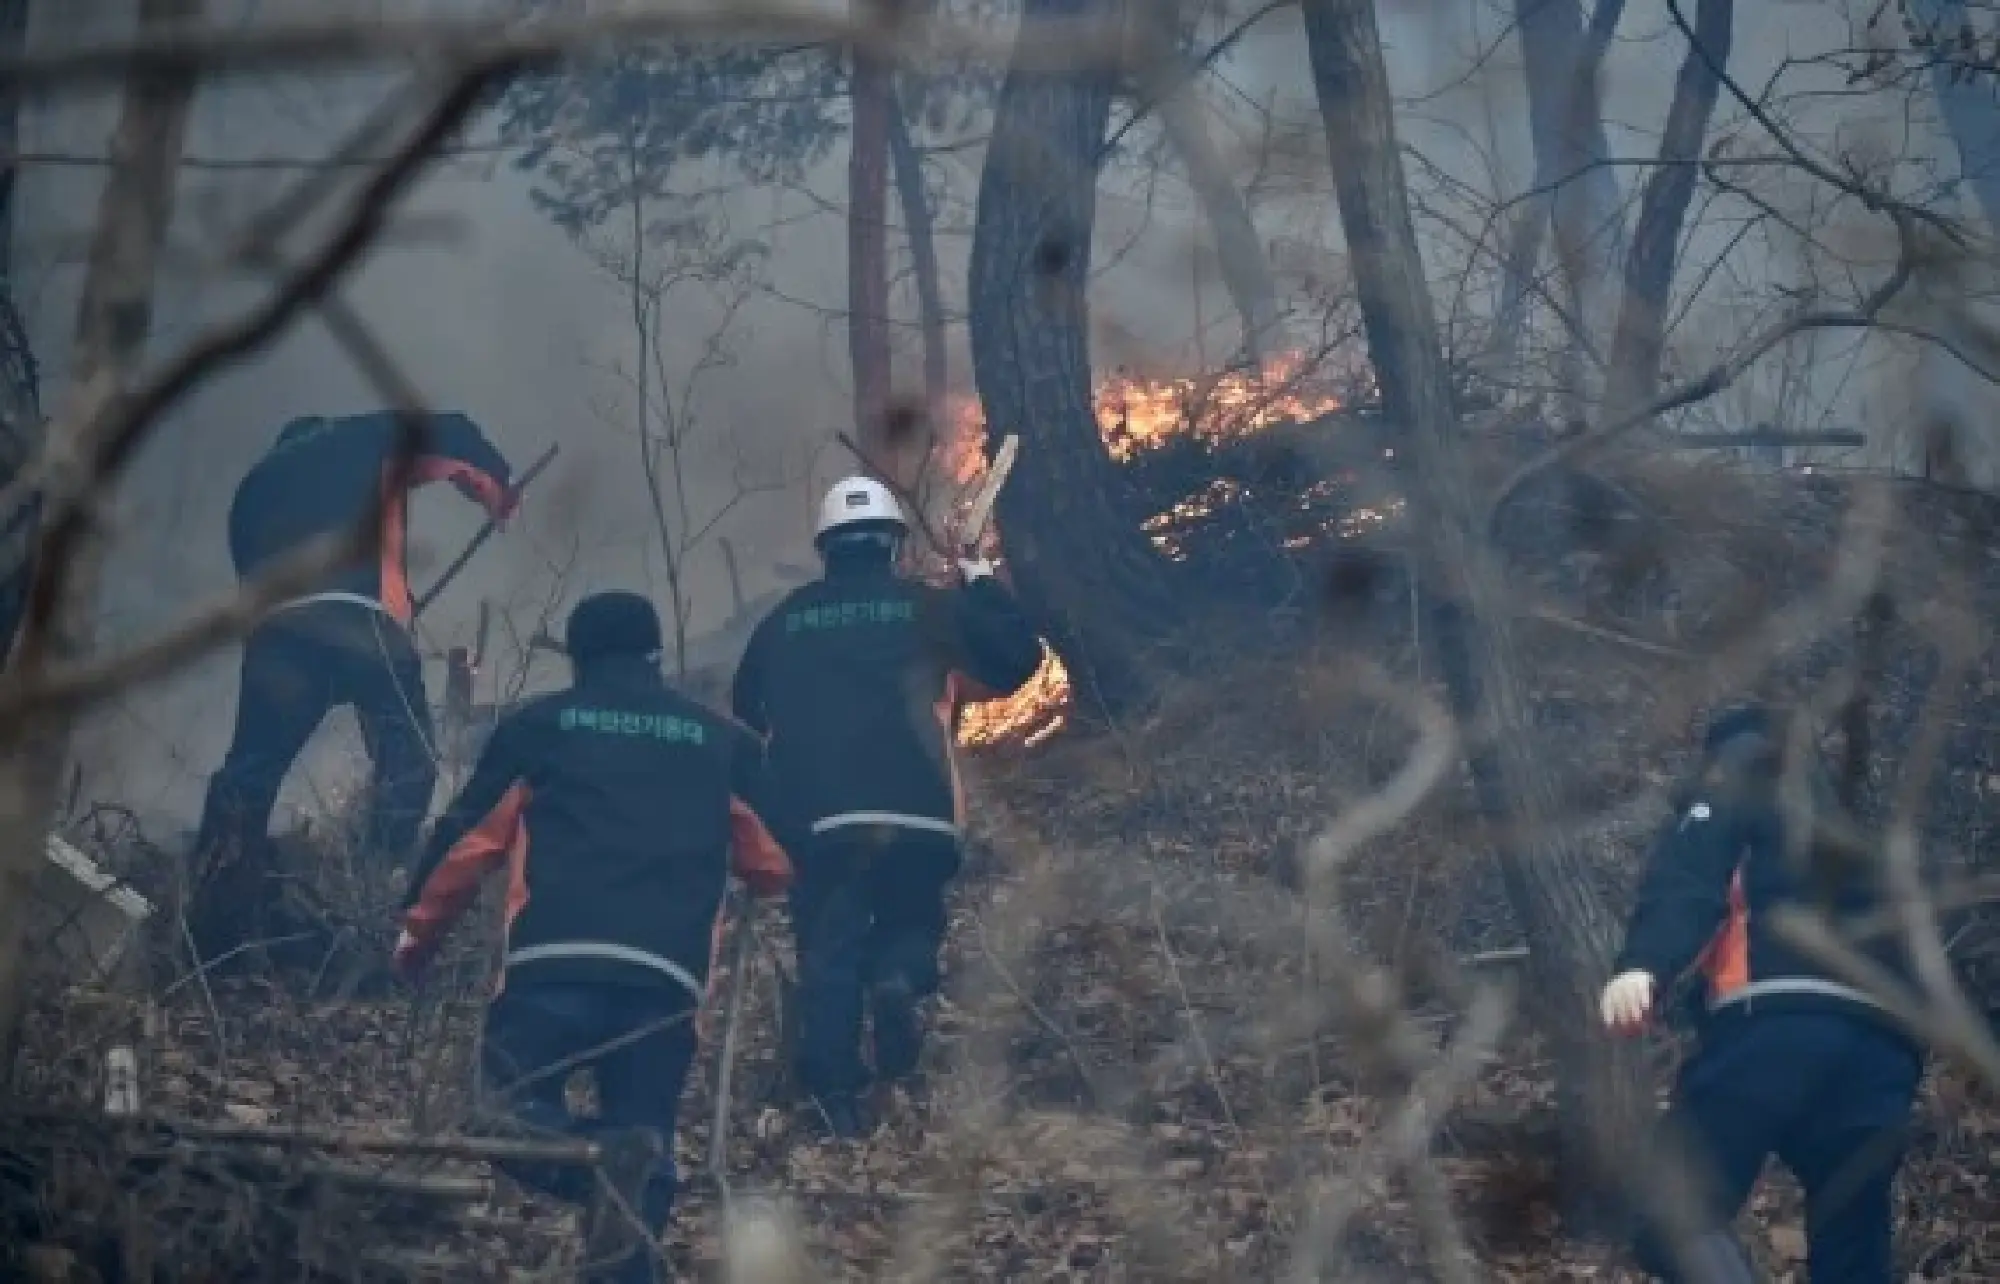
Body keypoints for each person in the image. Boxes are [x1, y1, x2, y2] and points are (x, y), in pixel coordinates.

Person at [393, 590, 790, 1284]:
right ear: (655, 655)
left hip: (552, 967)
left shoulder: (540, 727)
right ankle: (623, 1207)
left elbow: (465, 842)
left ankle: (600, 1165)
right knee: (644, 1144)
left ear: (576, 659)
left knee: (501, 1117)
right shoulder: (721, 740)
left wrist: (414, 940)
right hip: (668, 981)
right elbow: (778, 860)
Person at [730, 475, 1044, 1138]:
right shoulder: (928, 608)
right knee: (911, 918)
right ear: (895, 546)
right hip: (919, 810)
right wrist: (982, 580)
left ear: (826, 548)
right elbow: (1018, 660)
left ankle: (837, 1106)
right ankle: (899, 981)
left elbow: (745, 707)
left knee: (830, 950)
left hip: (821, 820)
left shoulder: (786, 618)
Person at [1601, 703, 1924, 1284]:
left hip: (1776, 1026)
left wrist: (1645, 966)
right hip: (1882, 1053)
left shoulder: (1738, 779)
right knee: (1853, 1249)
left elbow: (1691, 879)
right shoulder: (1857, 836)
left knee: (1672, 1212)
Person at [190, 411, 519, 942]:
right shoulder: (357, 441)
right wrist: (496, 488)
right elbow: (452, 431)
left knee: (247, 777)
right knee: (408, 763)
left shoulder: (250, 492)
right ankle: (376, 886)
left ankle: (213, 917)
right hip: (362, 625)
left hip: (279, 639)